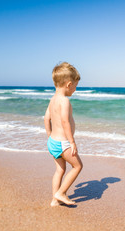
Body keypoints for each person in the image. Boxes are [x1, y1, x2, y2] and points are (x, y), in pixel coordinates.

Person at [44, 62, 83, 207]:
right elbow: (65, 122)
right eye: (75, 87)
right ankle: (61, 193)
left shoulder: (52, 100)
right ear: (69, 84)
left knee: (60, 170)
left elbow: (46, 118)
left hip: (53, 142)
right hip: (63, 143)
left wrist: (49, 135)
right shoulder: (64, 101)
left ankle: (55, 200)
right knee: (78, 166)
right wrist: (72, 142)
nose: (74, 90)